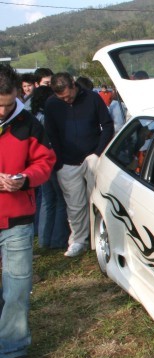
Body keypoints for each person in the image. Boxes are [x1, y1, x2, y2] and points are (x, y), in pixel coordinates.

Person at [0, 64, 55, 358]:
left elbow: (45, 161)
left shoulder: (28, 123)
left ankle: (14, 351)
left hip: (18, 218)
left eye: (8, 104)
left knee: (18, 286)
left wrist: (24, 179)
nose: (4, 111)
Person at [45, 72, 114, 257]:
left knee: (96, 199)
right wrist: (58, 162)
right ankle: (78, 240)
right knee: (74, 205)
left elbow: (107, 125)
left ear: (74, 85)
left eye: (69, 95)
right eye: (62, 98)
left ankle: (97, 238)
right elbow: (51, 134)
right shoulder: (52, 104)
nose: (67, 100)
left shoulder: (92, 98)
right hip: (67, 161)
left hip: (92, 156)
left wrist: (98, 153)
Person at [30, 85, 69, 249]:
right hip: (52, 161)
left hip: (39, 163)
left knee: (47, 201)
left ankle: (44, 239)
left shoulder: (32, 116)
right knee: (60, 200)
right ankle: (58, 240)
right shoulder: (47, 117)